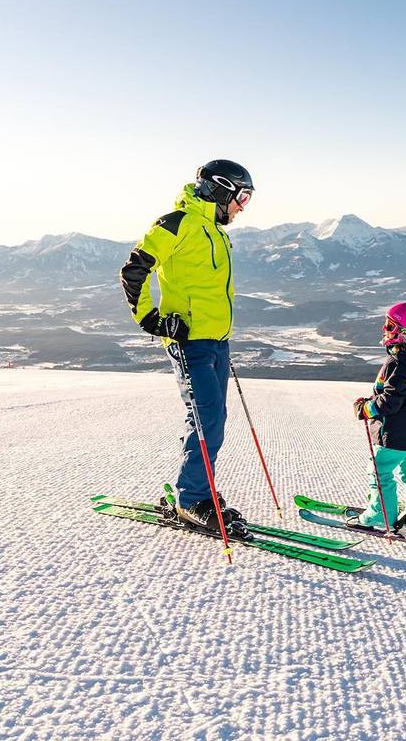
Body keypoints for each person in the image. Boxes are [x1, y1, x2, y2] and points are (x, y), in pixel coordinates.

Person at [119, 159, 254, 532]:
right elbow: (134, 270)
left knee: (213, 420)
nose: (243, 206)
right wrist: (152, 320)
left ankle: (196, 487)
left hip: (216, 342)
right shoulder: (176, 223)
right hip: (189, 342)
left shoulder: (215, 230)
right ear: (220, 188)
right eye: (242, 196)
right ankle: (191, 498)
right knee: (207, 418)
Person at [349, 302, 406, 534]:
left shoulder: (397, 364)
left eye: (390, 325)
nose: (385, 330)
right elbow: (401, 395)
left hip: (394, 434)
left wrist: (365, 409)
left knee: (380, 471)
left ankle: (380, 515)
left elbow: (389, 402)